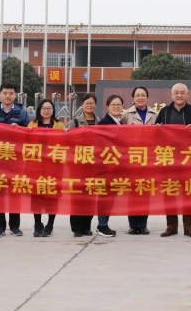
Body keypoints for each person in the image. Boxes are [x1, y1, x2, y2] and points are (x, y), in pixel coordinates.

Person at [156, 83, 191, 238]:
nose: (179, 95)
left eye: (182, 93)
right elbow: (155, 134)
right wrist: (157, 128)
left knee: (188, 193)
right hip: (169, 159)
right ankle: (171, 227)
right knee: (169, 193)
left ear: (187, 95)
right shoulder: (164, 111)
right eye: (176, 93)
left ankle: (189, 227)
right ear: (171, 95)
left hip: (188, 159)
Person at [0, 83, 30, 238]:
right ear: (0, 94)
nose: (8, 96)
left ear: (15, 95)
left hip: (15, 159)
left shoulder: (22, 113)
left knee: (14, 192)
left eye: (11, 93)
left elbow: (29, 134)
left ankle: (15, 226)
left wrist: (19, 129)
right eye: (5, 93)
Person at [87, 94, 127, 238]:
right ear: (107, 107)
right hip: (107, 167)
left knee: (110, 197)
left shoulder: (121, 123)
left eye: (119, 105)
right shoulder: (104, 123)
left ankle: (104, 223)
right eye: (113, 105)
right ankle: (102, 225)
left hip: (118, 166)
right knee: (105, 196)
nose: (116, 107)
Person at [121, 86, 157, 235]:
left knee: (145, 192)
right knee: (132, 193)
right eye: (137, 95)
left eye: (143, 95)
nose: (140, 98)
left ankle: (142, 225)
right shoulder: (126, 114)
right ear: (133, 98)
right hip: (132, 158)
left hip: (148, 159)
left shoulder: (154, 114)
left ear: (147, 97)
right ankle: (132, 225)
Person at [27, 99, 65, 237]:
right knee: (36, 196)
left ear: (53, 110)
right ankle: (37, 224)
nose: (46, 111)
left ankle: (50, 224)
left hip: (54, 166)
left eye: (49, 108)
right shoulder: (32, 125)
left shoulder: (59, 125)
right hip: (36, 166)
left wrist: (67, 133)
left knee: (52, 196)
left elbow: (65, 143)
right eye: (44, 108)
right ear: (39, 110)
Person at [65, 93, 100, 237]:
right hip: (78, 166)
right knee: (77, 198)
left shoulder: (100, 122)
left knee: (90, 198)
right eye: (87, 103)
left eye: (92, 103)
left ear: (95, 105)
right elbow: (65, 140)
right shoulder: (74, 122)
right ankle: (77, 228)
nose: (89, 105)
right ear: (82, 105)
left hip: (94, 166)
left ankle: (86, 226)